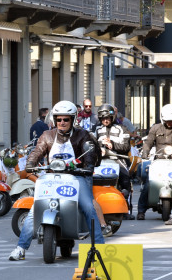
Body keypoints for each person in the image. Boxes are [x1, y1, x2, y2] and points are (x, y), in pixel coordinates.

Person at [8, 100, 105, 260]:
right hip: (52, 178)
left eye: (66, 119)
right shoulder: (47, 136)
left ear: (73, 119)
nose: (62, 122)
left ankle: (100, 247)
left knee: (88, 207)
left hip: (77, 177)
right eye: (59, 119)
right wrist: (31, 164)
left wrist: (88, 165)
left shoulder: (83, 135)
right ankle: (20, 248)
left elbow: (89, 154)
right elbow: (37, 151)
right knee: (35, 210)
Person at [136, 103, 172, 220]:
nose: (170, 122)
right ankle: (141, 210)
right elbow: (148, 142)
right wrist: (145, 153)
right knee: (148, 184)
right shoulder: (156, 128)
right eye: (168, 120)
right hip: (160, 161)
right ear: (163, 119)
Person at [94, 103, 134, 221]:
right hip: (100, 160)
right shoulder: (96, 129)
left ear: (112, 117)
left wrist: (112, 145)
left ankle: (127, 209)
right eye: (103, 118)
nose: (105, 120)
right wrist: (100, 144)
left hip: (118, 159)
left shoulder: (122, 129)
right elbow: (90, 144)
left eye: (108, 118)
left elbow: (126, 147)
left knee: (125, 179)